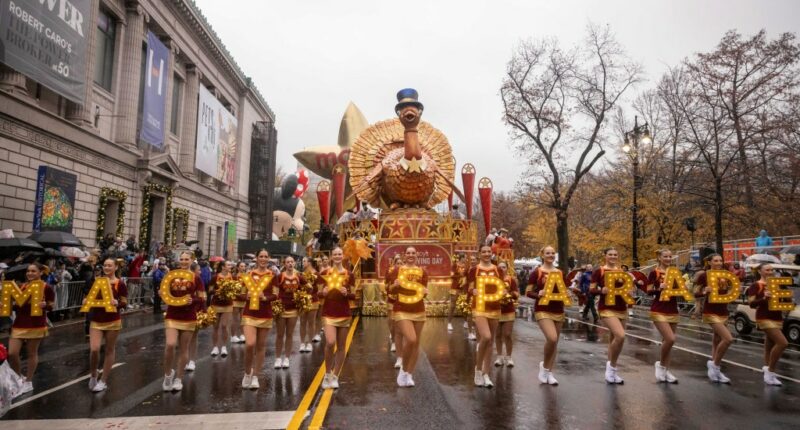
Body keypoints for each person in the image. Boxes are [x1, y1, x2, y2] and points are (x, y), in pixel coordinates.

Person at [7, 263, 55, 395]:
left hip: (36, 323)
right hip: (19, 323)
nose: (30, 273)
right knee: (12, 353)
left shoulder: (47, 287)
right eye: (28, 271)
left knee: (31, 353)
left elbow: (51, 305)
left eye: (33, 271)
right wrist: (10, 304)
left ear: (40, 273)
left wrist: (45, 305)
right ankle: (18, 378)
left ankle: (28, 382)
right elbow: (18, 306)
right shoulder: (22, 286)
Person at [589, 248, 635, 384]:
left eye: (615, 254)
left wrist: (630, 292)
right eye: (610, 254)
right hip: (606, 308)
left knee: (615, 340)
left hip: (621, 308)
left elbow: (627, 288)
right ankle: (611, 369)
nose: (613, 256)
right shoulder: (599, 271)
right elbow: (591, 290)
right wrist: (601, 291)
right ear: (605, 256)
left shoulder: (622, 272)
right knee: (620, 336)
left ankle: (612, 372)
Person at [161, 251, 204, 392]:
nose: (184, 261)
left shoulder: (196, 278)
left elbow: (202, 297)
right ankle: (168, 374)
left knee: (184, 348)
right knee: (170, 344)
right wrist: (161, 293)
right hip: (172, 315)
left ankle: (179, 378)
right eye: (182, 259)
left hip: (188, 316)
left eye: (187, 259)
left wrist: (194, 300)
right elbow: (164, 291)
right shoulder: (171, 276)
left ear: (191, 261)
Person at [386, 247, 428, 387]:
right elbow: (389, 290)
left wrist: (425, 291)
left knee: (416, 344)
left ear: (417, 255)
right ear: (404, 255)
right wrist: (395, 285)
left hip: (418, 310)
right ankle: (403, 370)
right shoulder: (397, 271)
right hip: (401, 309)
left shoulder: (423, 272)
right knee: (411, 338)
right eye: (408, 253)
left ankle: (409, 374)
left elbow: (424, 292)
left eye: (413, 253)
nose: (411, 255)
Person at [87, 258, 127, 392]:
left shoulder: (120, 283)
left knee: (110, 349)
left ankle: (103, 380)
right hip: (96, 320)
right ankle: (93, 374)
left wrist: (117, 303)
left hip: (112, 320)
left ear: (116, 267)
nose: (107, 267)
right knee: (94, 349)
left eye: (110, 265)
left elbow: (124, 302)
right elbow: (90, 297)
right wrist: (86, 300)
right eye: (105, 265)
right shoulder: (97, 281)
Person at [526, 246, 565, 385]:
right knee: (552, 338)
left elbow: (563, 290)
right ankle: (544, 367)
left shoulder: (560, 272)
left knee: (555, 343)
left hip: (558, 309)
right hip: (543, 309)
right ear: (542, 255)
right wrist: (538, 294)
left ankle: (549, 371)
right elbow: (528, 292)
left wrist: (568, 294)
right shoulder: (536, 272)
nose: (551, 255)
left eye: (553, 253)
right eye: (548, 253)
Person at [241, 250, 278, 389]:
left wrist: (265, 297)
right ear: (256, 258)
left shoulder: (273, 276)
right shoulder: (249, 275)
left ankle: (256, 375)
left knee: (261, 346)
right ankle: (247, 372)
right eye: (261, 256)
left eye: (265, 257)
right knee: (250, 344)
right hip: (249, 313)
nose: (263, 259)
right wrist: (247, 296)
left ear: (269, 259)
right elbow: (240, 294)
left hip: (265, 314)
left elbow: (275, 295)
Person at [693, 254, 734, 383]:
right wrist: (705, 291)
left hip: (723, 311)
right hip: (710, 311)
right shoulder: (704, 275)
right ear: (709, 262)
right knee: (728, 339)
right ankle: (715, 365)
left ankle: (716, 370)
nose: (719, 262)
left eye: (720, 260)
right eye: (715, 260)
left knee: (717, 339)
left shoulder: (726, 274)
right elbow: (695, 292)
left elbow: (733, 288)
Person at [319, 247, 356, 389]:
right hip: (329, 312)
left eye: (340, 254)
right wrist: (323, 292)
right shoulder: (324, 273)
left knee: (341, 346)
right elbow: (317, 294)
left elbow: (354, 296)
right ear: (331, 256)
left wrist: (347, 293)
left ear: (343, 256)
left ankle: (335, 375)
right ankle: (327, 373)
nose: (337, 256)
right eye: (335, 254)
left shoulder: (349, 274)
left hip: (344, 312)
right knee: (330, 342)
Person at [748, 263, 790, 386]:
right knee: (783, 343)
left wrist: (787, 300)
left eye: (772, 270)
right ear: (760, 272)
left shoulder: (778, 283)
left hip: (777, 317)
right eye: (767, 270)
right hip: (764, 317)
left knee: (769, 345)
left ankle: (767, 369)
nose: (770, 272)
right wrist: (764, 298)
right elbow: (752, 304)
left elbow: (785, 299)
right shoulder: (755, 286)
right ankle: (770, 371)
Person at [468, 245, 504, 388]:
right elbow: (469, 288)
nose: (487, 254)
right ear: (479, 254)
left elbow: (502, 287)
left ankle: (486, 373)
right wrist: (473, 291)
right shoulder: (474, 270)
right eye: (484, 252)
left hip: (494, 307)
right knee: (486, 337)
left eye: (489, 251)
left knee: (490, 342)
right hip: (479, 307)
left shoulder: (498, 270)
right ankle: (477, 370)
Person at [646, 249, 680, 383]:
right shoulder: (654, 273)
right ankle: (660, 365)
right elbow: (648, 291)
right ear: (659, 258)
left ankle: (666, 370)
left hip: (673, 309)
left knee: (668, 343)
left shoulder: (675, 272)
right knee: (670, 339)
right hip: (658, 309)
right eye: (665, 256)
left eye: (670, 256)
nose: (668, 258)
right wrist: (659, 288)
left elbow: (680, 290)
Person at [274, 256, 305, 369]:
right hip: (281, 309)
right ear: (284, 264)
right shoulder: (279, 276)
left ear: (295, 263)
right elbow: (274, 291)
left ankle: (287, 358)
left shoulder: (298, 276)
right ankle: (277, 358)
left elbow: (309, 287)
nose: (290, 264)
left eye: (292, 262)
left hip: (293, 309)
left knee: (290, 334)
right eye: (288, 262)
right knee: (280, 334)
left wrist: (302, 296)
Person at [495, 261, 519, 369]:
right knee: (498, 335)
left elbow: (516, 294)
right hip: (495, 310)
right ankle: (499, 356)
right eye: (499, 267)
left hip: (508, 310)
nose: (502, 269)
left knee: (507, 334)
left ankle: (509, 357)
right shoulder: (493, 280)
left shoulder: (511, 280)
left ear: (507, 268)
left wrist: (508, 294)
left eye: (504, 267)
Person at [184, 262, 207, 372]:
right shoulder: (179, 276)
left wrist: (204, 310)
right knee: (183, 339)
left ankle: (192, 360)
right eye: (199, 269)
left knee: (193, 337)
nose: (200, 271)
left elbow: (202, 297)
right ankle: (184, 359)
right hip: (181, 311)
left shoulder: (197, 279)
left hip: (195, 310)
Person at [209, 261, 234, 357]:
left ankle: (223, 347)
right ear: (223, 267)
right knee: (215, 327)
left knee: (224, 326)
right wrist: (219, 291)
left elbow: (236, 289)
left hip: (228, 304)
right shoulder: (215, 277)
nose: (230, 266)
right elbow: (210, 290)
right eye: (228, 265)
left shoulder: (232, 277)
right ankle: (215, 347)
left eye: (230, 265)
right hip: (216, 304)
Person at [299, 256, 320, 353]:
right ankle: (302, 343)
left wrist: (312, 288)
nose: (303, 263)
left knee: (311, 322)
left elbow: (319, 289)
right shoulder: (301, 274)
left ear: (310, 262)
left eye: (304, 261)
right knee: (302, 322)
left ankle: (310, 343)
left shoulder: (316, 274)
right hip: (303, 300)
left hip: (313, 300)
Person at [386, 254, 402, 357]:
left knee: (399, 323)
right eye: (397, 263)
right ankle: (393, 340)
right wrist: (393, 286)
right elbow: (386, 287)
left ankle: (398, 341)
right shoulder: (389, 272)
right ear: (394, 264)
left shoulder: (406, 273)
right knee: (392, 322)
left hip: (402, 300)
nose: (399, 265)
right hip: (391, 299)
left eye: (401, 263)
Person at [447, 254, 466, 332]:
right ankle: (449, 323)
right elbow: (451, 275)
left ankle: (466, 321)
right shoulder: (455, 266)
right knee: (453, 305)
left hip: (463, 287)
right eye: (464, 258)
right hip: (455, 287)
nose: (465, 259)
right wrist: (460, 275)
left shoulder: (466, 266)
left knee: (464, 305)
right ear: (461, 258)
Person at [231, 261, 248, 343]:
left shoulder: (247, 276)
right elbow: (231, 288)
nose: (243, 268)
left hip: (244, 299)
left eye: (244, 266)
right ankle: (233, 335)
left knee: (243, 318)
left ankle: (242, 334)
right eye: (241, 266)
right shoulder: (234, 277)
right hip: (236, 299)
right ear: (238, 267)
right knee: (235, 319)